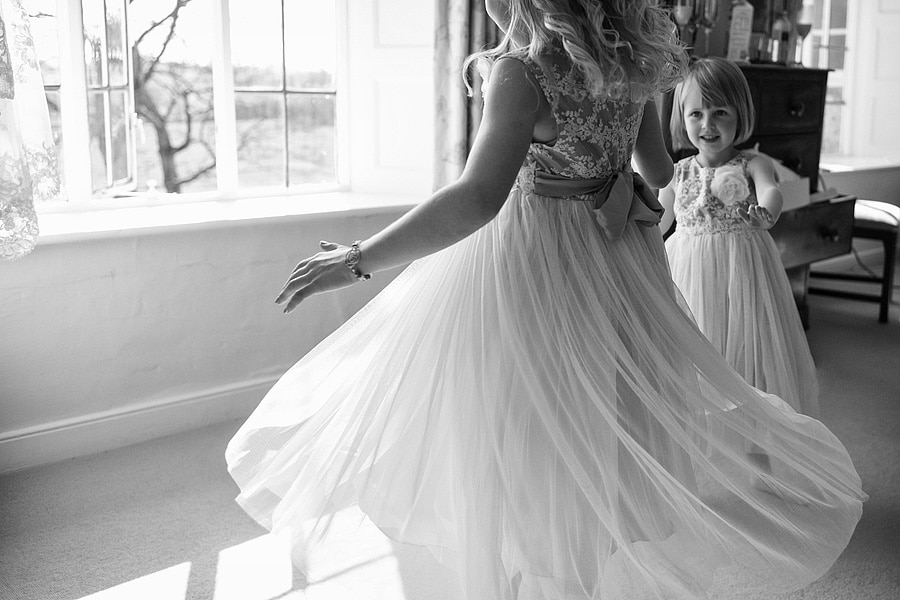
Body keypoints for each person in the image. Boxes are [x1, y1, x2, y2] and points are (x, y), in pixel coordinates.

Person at [227, 2, 865, 599]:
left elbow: (478, 197)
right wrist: (606, 178)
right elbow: (660, 172)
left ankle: (534, 573)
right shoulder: (635, 67)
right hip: (616, 257)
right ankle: (579, 568)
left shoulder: (521, 72)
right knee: (603, 413)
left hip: (536, 257)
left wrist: (358, 258)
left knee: (521, 418)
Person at [659, 57, 819, 418]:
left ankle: (756, 450)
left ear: (740, 114)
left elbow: (770, 191)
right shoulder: (677, 171)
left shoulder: (753, 163)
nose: (708, 124)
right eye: (696, 114)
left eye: (720, 113)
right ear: (682, 117)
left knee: (749, 357)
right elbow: (660, 217)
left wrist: (767, 212)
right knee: (696, 351)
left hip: (742, 273)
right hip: (689, 272)